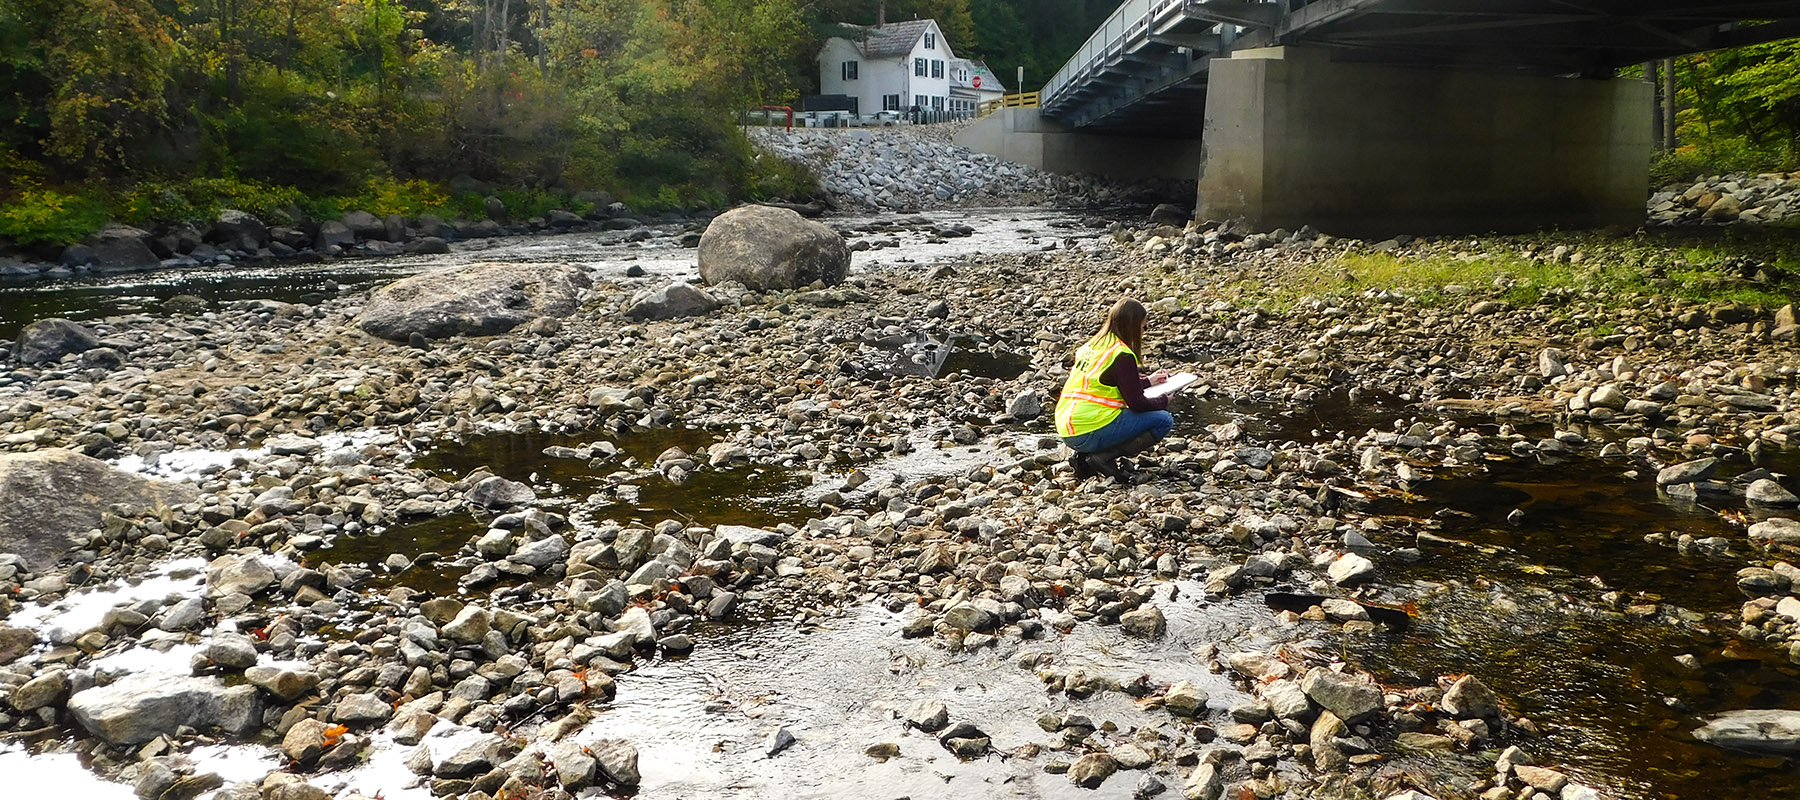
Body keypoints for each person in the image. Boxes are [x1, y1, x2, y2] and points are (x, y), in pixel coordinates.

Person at [1054, 298, 1175, 482]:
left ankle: (1084, 456)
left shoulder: (1093, 346)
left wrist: (1149, 381)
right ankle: (1102, 458)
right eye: (1144, 327)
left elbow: (1109, 384)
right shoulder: (1122, 354)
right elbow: (1137, 403)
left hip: (1067, 427)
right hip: (1087, 430)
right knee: (1163, 420)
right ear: (1132, 327)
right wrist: (1164, 400)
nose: (1144, 333)